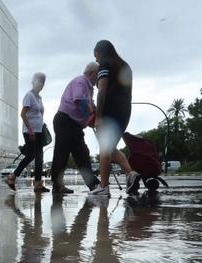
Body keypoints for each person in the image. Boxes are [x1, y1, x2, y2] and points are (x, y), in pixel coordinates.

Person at [92, 40, 139, 196]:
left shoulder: (105, 64)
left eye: (96, 56)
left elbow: (101, 91)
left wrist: (98, 116)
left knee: (105, 148)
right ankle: (130, 174)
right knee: (110, 148)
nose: (96, 60)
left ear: (100, 52)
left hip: (110, 112)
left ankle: (104, 187)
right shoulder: (125, 66)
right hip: (125, 111)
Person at [50, 63, 101, 195]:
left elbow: (91, 105)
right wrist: (90, 115)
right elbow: (79, 100)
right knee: (62, 153)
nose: (98, 79)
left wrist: (96, 113)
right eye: (98, 75)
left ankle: (93, 184)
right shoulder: (81, 81)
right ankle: (57, 185)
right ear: (92, 73)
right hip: (65, 120)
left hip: (75, 124)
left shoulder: (89, 88)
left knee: (82, 153)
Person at [7, 72, 49, 193]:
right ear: (34, 82)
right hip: (30, 132)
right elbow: (23, 114)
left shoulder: (39, 98)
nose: (41, 84)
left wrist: (42, 123)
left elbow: (39, 113)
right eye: (39, 81)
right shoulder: (29, 96)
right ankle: (13, 176)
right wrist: (30, 130)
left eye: (43, 82)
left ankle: (37, 184)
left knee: (38, 157)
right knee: (32, 155)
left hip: (39, 131)